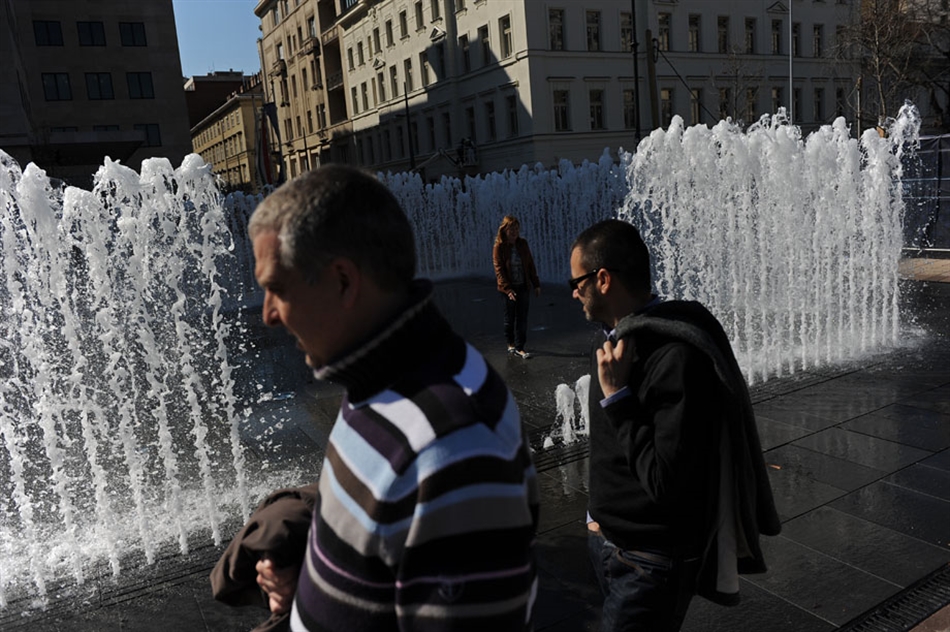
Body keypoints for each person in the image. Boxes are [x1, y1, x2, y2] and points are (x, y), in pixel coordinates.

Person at [246, 165, 539, 631]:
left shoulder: (455, 446)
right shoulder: (381, 381)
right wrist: (310, 582)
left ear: (344, 281)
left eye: (277, 288)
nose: (268, 315)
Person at [569, 219, 780, 632]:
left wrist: (617, 398)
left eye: (577, 281)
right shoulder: (615, 339)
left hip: (648, 564)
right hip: (611, 542)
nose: (573, 292)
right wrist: (598, 519)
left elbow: (666, 480)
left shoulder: (674, 358)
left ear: (604, 279)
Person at [492, 216, 541, 359]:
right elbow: (499, 270)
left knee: (522, 318)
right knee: (509, 319)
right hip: (508, 289)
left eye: (516, 228)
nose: (514, 231)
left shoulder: (523, 244)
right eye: (511, 228)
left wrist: (536, 283)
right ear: (505, 229)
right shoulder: (499, 247)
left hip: (523, 287)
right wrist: (507, 290)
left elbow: (530, 265)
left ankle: (520, 347)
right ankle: (511, 344)